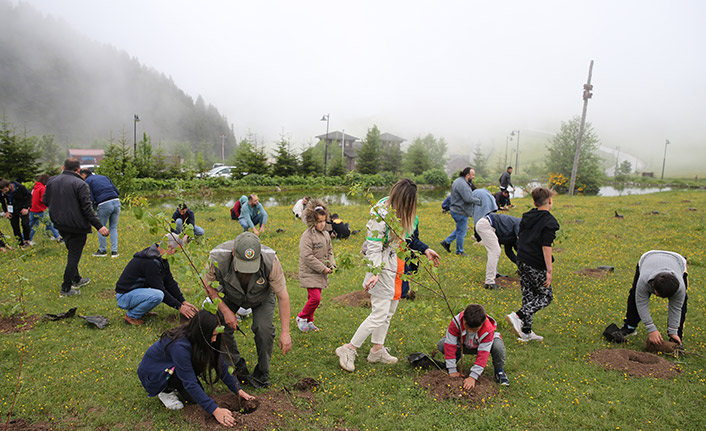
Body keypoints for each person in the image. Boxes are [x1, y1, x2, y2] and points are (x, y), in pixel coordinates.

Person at [336, 179, 440, 372]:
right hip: (382, 267)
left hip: (400, 266)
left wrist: (425, 250)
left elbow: (411, 239)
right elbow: (373, 249)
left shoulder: (410, 215)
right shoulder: (380, 216)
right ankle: (348, 349)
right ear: (401, 200)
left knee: (388, 312)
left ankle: (377, 350)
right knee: (379, 314)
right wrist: (375, 272)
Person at [202, 232, 291, 388]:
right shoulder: (217, 257)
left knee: (263, 329)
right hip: (230, 294)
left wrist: (286, 332)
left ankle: (262, 371)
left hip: (261, 297)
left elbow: (283, 296)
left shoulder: (271, 260)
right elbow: (208, 286)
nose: (246, 271)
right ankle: (237, 365)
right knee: (220, 324)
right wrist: (226, 311)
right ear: (233, 253)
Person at [137, 310, 255, 426]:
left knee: (194, 398)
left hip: (174, 366)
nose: (214, 339)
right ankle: (165, 391)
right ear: (202, 333)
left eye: (216, 335)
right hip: (155, 374)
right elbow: (190, 383)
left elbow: (220, 365)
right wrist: (215, 410)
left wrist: (238, 389)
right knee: (192, 389)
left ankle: (176, 384)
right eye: (213, 335)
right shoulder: (180, 347)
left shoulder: (200, 339)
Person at [43, 159, 109, 297]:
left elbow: (45, 200)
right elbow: (87, 208)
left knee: (71, 251)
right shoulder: (80, 184)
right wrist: (99, 226)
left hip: (60, 224)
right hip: (76, 226)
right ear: (78, 169)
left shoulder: (52, 181)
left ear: (63, 167)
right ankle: (66, 288)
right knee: (73, 257)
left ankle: (77, 279)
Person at [505, 187, 560, 342]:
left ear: (534, 202)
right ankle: (517, 316)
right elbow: (546, 246)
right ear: (549, 201)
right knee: (546, 297)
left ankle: (526, 332)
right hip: (536, 262)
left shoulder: (527, 216)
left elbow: (519, 236)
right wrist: (549, 271)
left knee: (528, 295)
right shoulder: (550, 221)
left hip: (521, 259)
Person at [115, 233, 198, 325]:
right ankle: (131, 316)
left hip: (135, 292)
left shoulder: (160, 258)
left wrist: (183, 301)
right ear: (168, 246)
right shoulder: (150, 262)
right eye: (175, 251)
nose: (175, 254)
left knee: (157, 293)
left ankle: (142, 310)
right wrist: (179, 307)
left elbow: (169, 281)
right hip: (124, 296)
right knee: (157, 295)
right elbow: (159, 288)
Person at [617, 250, 688, 346]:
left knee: (682, 303)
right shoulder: (644, 280)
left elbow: (675, 308)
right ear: (653, 285)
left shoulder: (680, 287)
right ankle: (630, 326)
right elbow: (641, 303)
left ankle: (676, 337)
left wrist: (673, 331)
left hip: (677, 261)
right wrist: (651, 329)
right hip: (648, 258)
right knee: (634, 295)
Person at [438, 304, 509, 389]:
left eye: (475, 329)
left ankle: (499, 371)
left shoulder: (488, 330)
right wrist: (452, 369)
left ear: (482, 323)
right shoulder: (456, 322)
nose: (470, 331)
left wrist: (473, 377)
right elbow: (450, 345)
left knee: (498, 346)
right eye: (467, 327)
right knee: (442, 344)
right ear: (463, 319)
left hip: (482, 346)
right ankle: (456, 358)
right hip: (463, 344)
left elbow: (483, 354)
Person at [296, 200, 335, 332]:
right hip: (310, 272)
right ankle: (301, 317)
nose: (322, 224)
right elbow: (307, 256)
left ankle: (309, 321)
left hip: (321, 273)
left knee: (312, 298)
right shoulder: (307, 236)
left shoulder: (325, 234)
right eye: (319, 222)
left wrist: (331, 263)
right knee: (315, 299)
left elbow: (330, 250)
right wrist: (322, 268)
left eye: (324, 221)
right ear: (312, 221)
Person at [80, 169, 121, 257]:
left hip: (104, 203)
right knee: (113, 227)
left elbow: (90, 198)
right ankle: (114, 251)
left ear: (83, 175)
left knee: (101, 227)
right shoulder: (104, 177)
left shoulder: (87, 181)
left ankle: (102, 251)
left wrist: (91, 212)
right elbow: (117, 191)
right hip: (116, 201)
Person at [440, 167, 480, 257]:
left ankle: (446, 242)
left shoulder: (459, 181)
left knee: (460, 229)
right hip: (460, 211)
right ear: (467, 175)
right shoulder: (463, 184)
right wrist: (479, 200)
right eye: (472, 175)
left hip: (455, 209)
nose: (474, 177)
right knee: (461, 232)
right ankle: (459, 252)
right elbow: (468, 199)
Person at [470, 188, 501, 289]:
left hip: (486, 220)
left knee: (494, 249)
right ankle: (489, 282)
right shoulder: (481, 192)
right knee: (495, 250)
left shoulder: (476, 193)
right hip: (487, 220)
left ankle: (494, 274)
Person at [28, 174, 61, 243]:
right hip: (41, 210)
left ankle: (27, 240)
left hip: (33, 209)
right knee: (50, 224)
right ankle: (58, 237)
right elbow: (43, 199)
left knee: (32, 226)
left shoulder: (35, 188)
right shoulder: (42, 188)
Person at [0, 178, 32, 246]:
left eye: (5, 190)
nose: (4, 192)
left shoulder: (19, 187)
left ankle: (26, 240)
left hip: (22, 207)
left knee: (25, 224)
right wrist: (6, 212)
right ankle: (20, 243)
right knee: (15, 227)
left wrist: (26, 207)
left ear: (9, 186)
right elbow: (2, 201)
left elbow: (29, 196)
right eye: (3, 191)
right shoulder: (2, 191)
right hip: (12, 209)